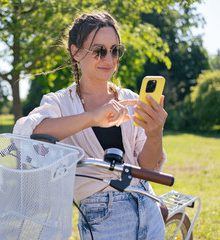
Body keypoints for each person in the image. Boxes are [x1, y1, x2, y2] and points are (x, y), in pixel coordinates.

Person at [13, 11, 168, 240]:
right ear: (76, 52)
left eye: (115, 50)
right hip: (103, 218)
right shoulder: (60, 102)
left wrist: (155, 134)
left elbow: (147, 169)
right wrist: (93, 118)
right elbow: (27, 133)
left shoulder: (131, 99)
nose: (109, 59)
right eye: (99, 51)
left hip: (147, 205)